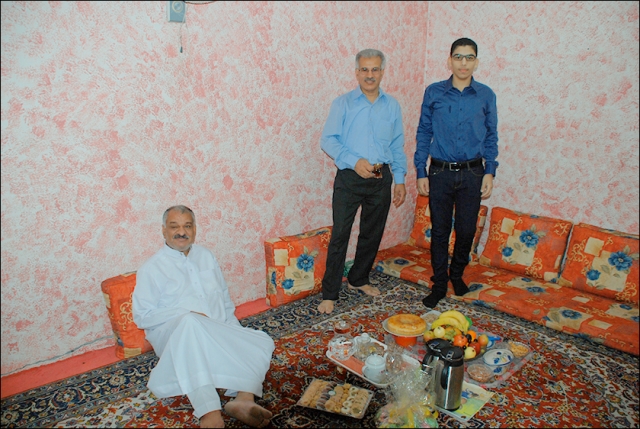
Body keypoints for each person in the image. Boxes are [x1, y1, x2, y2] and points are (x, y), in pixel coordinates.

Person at [132, 205, 275, 428]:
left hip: (214, 329)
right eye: (174, 227)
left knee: (261, 341)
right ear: (164, 230)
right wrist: (185, 313)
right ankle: (209, 411)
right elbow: (142, 316)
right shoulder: (152, 268)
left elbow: (223, 298)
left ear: (195, 229)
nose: (182, 232)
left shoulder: (206, 256)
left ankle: (244, 399)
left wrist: (234, 332)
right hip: (178, 337)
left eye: (187, 226)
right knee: (190, 323)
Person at [317, 48, 408, 315]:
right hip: (350, 176)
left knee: (372, 233)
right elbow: (328, 140)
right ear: (357, 72)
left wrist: (399, 179)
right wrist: (354, 161)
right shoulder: (343, 104)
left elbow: (397, 145)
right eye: (365, 69)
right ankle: (330, 292)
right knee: (340, 234)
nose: (370, 75)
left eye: (375, 69)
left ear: (382, 72)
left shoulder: (392, 106)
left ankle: (359, 278)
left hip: (381, 177)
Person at [414, 37, 499, 309]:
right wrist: (420, 170)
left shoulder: (486, 95)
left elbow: (491, 135)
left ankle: (457, 274)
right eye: (458, 57)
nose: (464, 63)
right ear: (449, 60)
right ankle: (439, 283)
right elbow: (424, 131)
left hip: (473, 173)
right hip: (439, 172)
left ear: (476, 62)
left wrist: (490, 171)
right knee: (440, 231)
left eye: (469, 57)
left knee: (466, 230)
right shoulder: (434, 92)